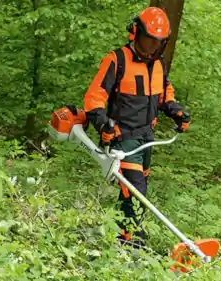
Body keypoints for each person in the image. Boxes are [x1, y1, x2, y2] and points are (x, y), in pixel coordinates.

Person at [83, 6, 191, 248]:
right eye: (148, 41)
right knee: (135, 193)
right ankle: (134, 245)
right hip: (123, 138)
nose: (152, 47)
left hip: (147, 137)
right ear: (135, 34)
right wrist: (102, 124)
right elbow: (94, 97)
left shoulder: (158, 64)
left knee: (136, 188)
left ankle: (122, 237)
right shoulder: (116, 60)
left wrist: (174, 109)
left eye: (157, 43)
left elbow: (164, 93)